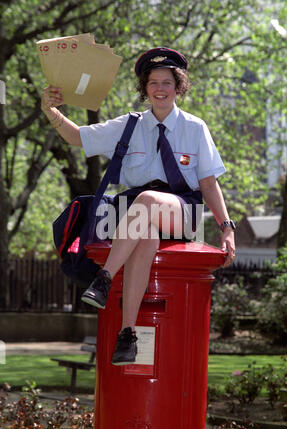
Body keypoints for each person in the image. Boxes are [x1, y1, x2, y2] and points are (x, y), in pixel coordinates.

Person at [41, 47, 235, 366]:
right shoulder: (128, 126)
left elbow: (209, 183)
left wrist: (227, 229)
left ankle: (103, 278)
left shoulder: (195, 128)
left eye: (167, 82)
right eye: (153, 82)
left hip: (180, 210)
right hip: (136, 214)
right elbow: (77, 138)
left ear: (179, 87)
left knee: (146, 202)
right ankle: (127, 334)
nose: (160, 88)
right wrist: (50, 110)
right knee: (145, 238)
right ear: (144, 88)